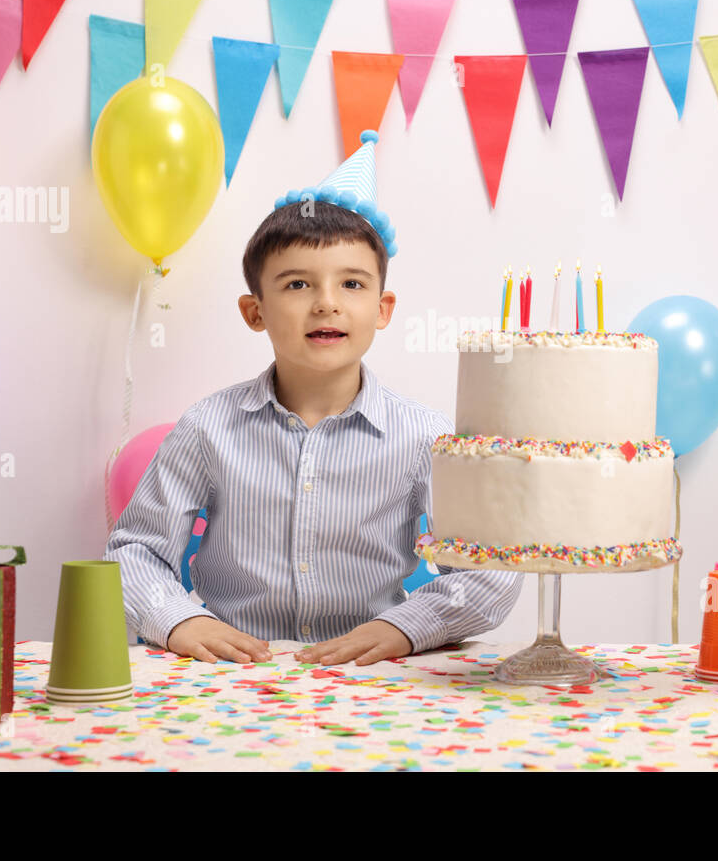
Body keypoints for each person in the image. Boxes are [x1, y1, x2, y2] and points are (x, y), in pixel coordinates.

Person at [104, 130, 522, 667]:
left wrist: (406, 628)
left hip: (375, 678)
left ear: (383, 308)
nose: (327, 304)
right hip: (236, 674)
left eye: (351, 284)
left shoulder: (425, 435)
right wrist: (179, 618)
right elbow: (136, 549)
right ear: (255, 312)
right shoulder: (208, 426)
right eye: (298, 285)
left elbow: (489, 569)